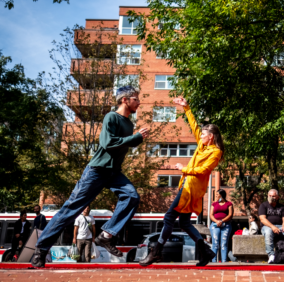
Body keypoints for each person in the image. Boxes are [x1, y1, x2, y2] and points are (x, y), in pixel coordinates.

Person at [31, 86, 149, 268]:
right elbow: (108, 143)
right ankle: (40, 250)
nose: (139, 102)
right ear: (125, 100)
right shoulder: (112, 117)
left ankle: (106, 236)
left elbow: (125, 144)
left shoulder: (129, 124)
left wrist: (137, 138)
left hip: (114, 173)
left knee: (132, 196)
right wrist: (135, 138)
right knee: (70, 210)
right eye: (136, 99)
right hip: (97, 170)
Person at [139, 97, 224, 267]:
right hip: (190, 187)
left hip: (190, 188)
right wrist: (187, 108)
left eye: (204, 136)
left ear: (211, 137)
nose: (200, 137)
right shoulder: (203, 146)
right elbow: (194, 127)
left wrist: (183, 169)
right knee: (184, 222)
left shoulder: (215, 152)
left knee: (169, 217)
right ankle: (206, 252)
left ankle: (156, 252)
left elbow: (204, 170)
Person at [259, 189, 284, 264]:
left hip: (280, 226)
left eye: (273, 196)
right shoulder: (263, 205)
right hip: (267, 226)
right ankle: (271, 255)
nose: (271, 197)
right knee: (268, 232)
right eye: (269, 196)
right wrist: (272, 227)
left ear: (277, 197)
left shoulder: (282, 207)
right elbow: (262, 219)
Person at [209, 189, 233, 262]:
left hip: (226, 225)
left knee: (224, 243)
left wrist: (222, 221)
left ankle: (224, 261)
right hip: (215, 225)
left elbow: (230, 215)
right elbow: (211, 215)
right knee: (215, 243)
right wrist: (217, 221)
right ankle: (213, 262)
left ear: (221, 196)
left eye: (217, 195)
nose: (216, 196)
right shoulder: (214, 204)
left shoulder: (229, 204)